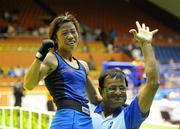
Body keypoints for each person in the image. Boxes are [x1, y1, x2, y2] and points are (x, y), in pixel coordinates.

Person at [24, 12, 101, 129]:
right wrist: (40, 56)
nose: (70, 36)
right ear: (56, 38)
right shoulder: (51, 58)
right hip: (67, 119)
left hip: (86, 120)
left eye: (73, 31)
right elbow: (28, 85)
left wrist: (122, 105)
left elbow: (95, 99)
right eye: (65, 33)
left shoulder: (83, 65)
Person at [89, 21, 160, 129]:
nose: (118, 92)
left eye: (122, 88)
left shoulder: (130, 115)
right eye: (112, 88)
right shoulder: (88, 108)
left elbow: (153, 83)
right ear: (100, 91)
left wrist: (146, 44)